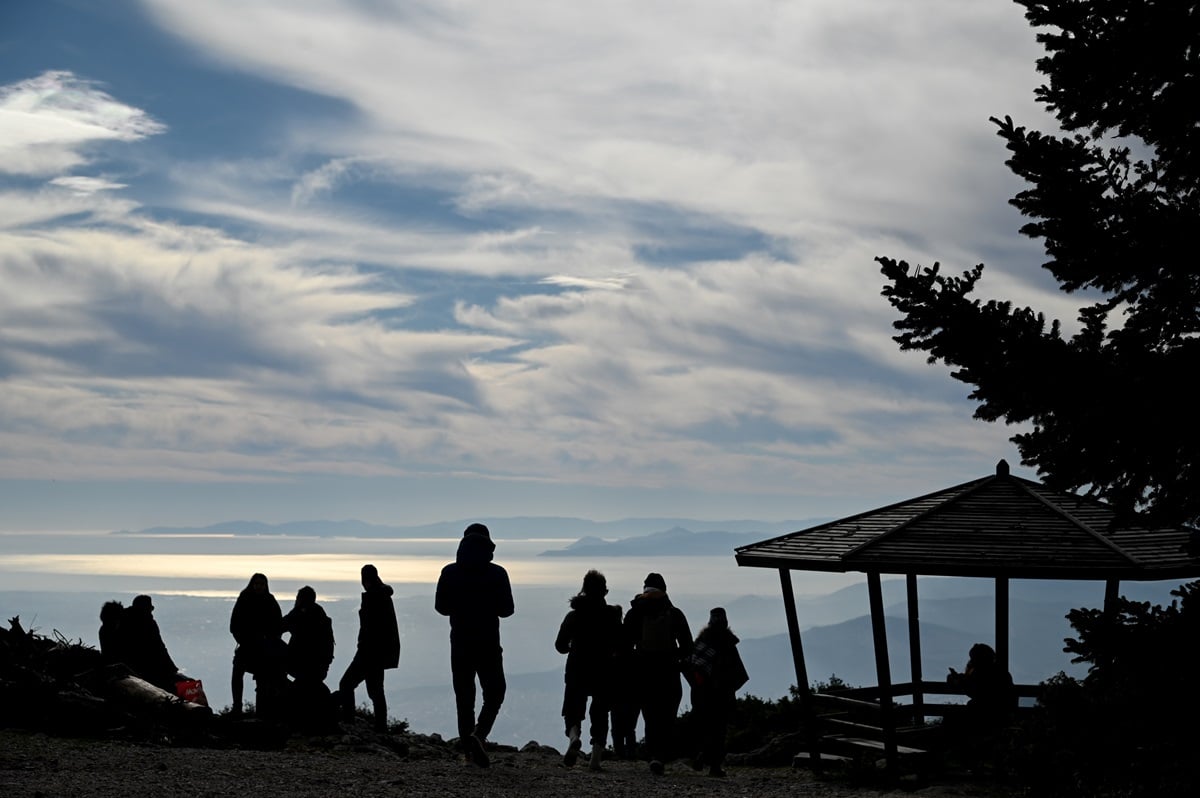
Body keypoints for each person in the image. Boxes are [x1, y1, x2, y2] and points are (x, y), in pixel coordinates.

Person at [435, 522, 514, 768]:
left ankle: (469, 753)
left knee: (464, 697)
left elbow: (441, 607)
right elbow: (507, 610)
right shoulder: (497, 573)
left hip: (459, 642)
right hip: (489, 642)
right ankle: (479, 735)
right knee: (495, 692)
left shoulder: (449, 572)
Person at [622, 572, 692, 775]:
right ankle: (661, 755)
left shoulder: (635, 612)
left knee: (650, 715)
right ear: (664, 590)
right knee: (667, 715)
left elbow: (625, 644)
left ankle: (653, 755)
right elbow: (688, 646)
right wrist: (675, 657)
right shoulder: (674, 613)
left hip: (643, 671)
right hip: (668, 670)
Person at [554, 569, 623, 771]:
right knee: (600, 713)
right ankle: (595, 759)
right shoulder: (612, 615)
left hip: (577, 667)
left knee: (573, 709)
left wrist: (571, 648)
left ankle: (574, 737)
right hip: (604, 669)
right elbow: (621, 644)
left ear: (584, 589)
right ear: (605, 591)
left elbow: (559, 645)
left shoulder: (574, 616)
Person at [684, 607, 749, 778]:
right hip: (721, 694)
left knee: (703, 727)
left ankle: (700, 755)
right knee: (718, 730)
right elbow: (738, 673)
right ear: (726, 622)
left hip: (701, 693)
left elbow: (690, 665)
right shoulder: (728, 642)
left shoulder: (701, 641)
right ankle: (714, 765)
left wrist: (697, 686)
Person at [335, 564, 401, 732]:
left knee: (347, 684)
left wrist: (363, 647)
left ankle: (349, 721)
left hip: (369, 652)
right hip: (378, 653)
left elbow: (371, 628)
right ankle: (381, 727)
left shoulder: (374, 598)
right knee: (376, 691)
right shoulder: (383, 596)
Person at [229, 572, 283, 717]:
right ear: (252, 585)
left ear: (266, 586)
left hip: (264, 649)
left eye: (261, 584)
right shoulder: (244, 599)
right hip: (247, 646)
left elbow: (278, 625)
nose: (259, 587)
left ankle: (261, 711)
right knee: (237, 673)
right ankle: (237, 707)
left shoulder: (270, 601)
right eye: (256, 584)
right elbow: (234, 625)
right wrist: (243, 641)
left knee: (263, 678)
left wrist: (269, 643)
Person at [120, 594, 188, 692]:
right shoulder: (148, 623)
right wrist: (171, 668)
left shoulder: (122, 620)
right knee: (182, 683)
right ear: (146, 609)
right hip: (148, 669)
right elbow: (159, 647)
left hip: (133, 666)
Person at [948, 642, 1017, 732]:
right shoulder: (1000, 672)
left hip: (986, 718)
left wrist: (959, 681)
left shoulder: (984, 673)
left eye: (973, 658)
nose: (971, 661)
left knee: (951, 716)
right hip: (1000, 717)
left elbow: (977, 693)